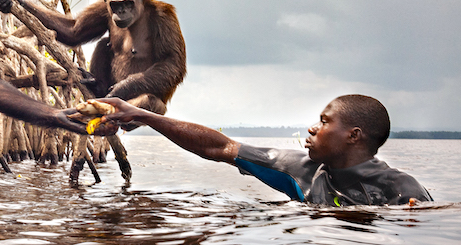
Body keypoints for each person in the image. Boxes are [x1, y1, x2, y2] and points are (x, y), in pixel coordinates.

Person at [92, 94, 432, 206]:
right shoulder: (300, 169)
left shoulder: (403, 191)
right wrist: (141, 114)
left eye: (324, 122)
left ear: (353, 136)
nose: (313, 128)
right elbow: (220, 146)